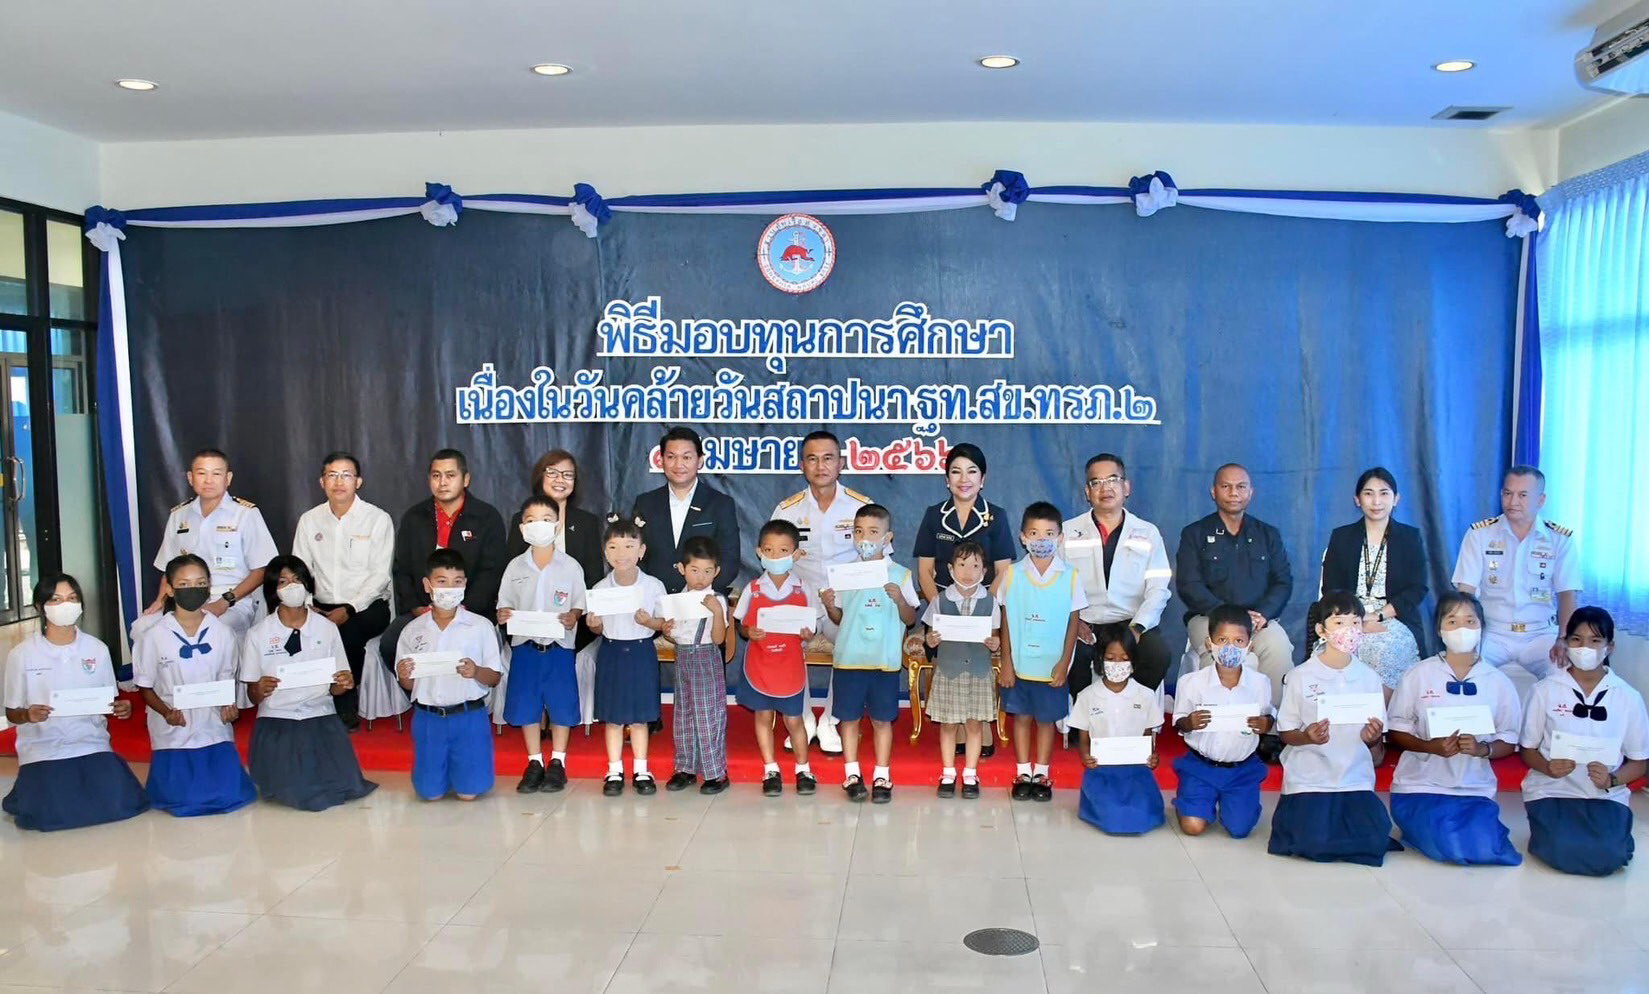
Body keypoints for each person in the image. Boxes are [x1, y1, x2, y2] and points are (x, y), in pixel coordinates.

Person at [2, 574, 148, 831]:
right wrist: (28, 715)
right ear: (40, 606)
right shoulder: (22, 655)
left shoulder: (96, 649)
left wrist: (120, 709)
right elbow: (12, 712)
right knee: (52, 816)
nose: (65, 605)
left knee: (120, 805)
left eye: (72, 598)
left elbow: (108, 701)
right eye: (56, 600)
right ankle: (26, 791)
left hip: (90, 742)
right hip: (44, 745)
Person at [1384, 591, 1521, 866]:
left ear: (1482, 628)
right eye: (1452, 621)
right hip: (1420, 786)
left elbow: (1509, 738)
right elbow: (1396, 729)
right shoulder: (1418, 674)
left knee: (1484, 850)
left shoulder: (1498, 682)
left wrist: (1484, 749)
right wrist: (1429, 746)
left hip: (1473, 788)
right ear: (1439, 630)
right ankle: (1419, 829)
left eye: (1470, 621)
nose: (1462, 629)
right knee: (1449, 845)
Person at [1268, 590, 1396, 866]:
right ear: (1321, 630)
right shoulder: (1300, 676)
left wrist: (1371, 740)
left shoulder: (1369, 678)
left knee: (1371, 844)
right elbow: (1286, 732)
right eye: (1339, 622)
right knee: (1314, 843)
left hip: (1354, 778)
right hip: (1311, 779)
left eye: (1355, 623)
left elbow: (1378, 754)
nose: (1348, 630)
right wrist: (1306, 736)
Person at [240, 555, 377, 812]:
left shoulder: (326, 628)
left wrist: (344, 683)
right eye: (283, 581)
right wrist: (258, 689)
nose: (292, 586)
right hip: (278, 721)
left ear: (307, 585)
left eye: (297, 579)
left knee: (339, 785)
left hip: (320, 717)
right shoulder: (258, 634)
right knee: (298, 790)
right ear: (273, 590)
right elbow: (252, 694)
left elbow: (336, 686)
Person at [1519, 606, 1648, 876]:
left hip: (1604, 794)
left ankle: (1612, 836)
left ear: (1609, 647)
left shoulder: (1627, 697)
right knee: (1563, 849)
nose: (1585, 647)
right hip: (1552, 789)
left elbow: (1639, 762)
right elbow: (1527, 750)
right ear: (1565, 643)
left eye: (1595, 640)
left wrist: (1611, 780)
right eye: (1576, 639)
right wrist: (1547, 767)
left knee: (1607, 858)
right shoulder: (1544, 690)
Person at [133, 554, 258, 817]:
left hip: (212, 724)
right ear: (169, 589)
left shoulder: (223, 633)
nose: (193, 590)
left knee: (227, 795)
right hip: (173, 725)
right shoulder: (153, 635)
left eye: (200, 583)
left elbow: (227, 678)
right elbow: (145, 685)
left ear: (209, 587)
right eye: (185, 584)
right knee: (182, 799)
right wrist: (166, 711)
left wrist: (229, 706)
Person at [911, 442, 1015, 757]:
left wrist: (982, 606)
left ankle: (980, 728)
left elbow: (1003, 570)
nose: (963, 478)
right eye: (956, 471)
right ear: (947, 479)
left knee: (980, 662)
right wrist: (944, 609)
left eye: (972, 471)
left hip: (984, 609)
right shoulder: (933, 516)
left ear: (983, 478)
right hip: (943, 607)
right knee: (950, 655)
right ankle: (952, 725)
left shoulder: (996, 516)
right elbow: (925, 571)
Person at [772, 429, 870, 754]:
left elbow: (876, 561)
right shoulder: (787, 510)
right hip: (799, 601)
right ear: (802, 465)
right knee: (783, 643)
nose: (821, 466)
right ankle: (802, 720)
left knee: (851, 638)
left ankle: (829, 719)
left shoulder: (861, 508)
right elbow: (772, 560)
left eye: (828, 458)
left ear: (841, 463)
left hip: (842, 602)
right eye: (812, 459)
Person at [821, 504, 919, 803]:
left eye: (873, 532)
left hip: (883, 662)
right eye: (859, 532)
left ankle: (882, 774)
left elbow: (910, 619)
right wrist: (829, 605)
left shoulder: (900, 575)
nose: (865, 538)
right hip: (849, 659)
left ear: (887, 537)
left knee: (881, 720)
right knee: (848, 719)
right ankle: (852, 773)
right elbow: (840, 619)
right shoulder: (845, 574)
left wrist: (900, 599)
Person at [379, 448, 508, 675]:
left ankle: (467, 702)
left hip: (472, 611)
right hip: (422, 611)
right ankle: (421, 698)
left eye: (450, 475)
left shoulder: (486, 517)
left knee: (477, 647)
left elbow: (492, 571)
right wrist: (416, 608)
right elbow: (402, 569)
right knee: (391, 643)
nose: (442, 482)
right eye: (436, 475)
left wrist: (464, 609)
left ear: (465, 479)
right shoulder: (414, 517)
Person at [1175, 463, 1296, 700]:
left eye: (1241, 487)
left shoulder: (1267, 534)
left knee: (1279, 648)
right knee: (1227, 653)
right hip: (1210, 619)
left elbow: (1282, 581)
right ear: (1213, 492)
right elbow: (1189, 585)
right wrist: (1227, 617)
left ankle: (1269, 726)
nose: (1233, 493)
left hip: (1258, 620)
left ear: (1251, 492)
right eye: (1226, 486)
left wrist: (1263, 614)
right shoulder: (1194, 533)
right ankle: (1222, 725)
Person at [291, 451, 393, 730]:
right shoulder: (309, 520)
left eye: (346, 475)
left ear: (358, 481)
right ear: (321, 482)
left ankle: (344, 702)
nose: (339, 482)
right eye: (332, 475)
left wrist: (350, 608)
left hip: (367, 606)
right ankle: (304, 700)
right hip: (319, 605)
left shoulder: (377, 519)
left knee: (345, 632)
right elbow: (300, 569)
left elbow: (380, 575)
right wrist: (309, 605)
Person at [1452, 466, 1579, 685]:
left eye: (1522, 495)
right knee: (1464, 676)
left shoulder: (1558, 539)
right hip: (1492, 632)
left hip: (1540, 633)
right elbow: (1466, 593)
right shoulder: (1479, 534)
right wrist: (1467, 637)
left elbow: (1567, 594)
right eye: (1507, 493)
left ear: (1540, 500)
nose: (1513, 502)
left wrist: (1563, 638)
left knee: (1565, 679)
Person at [394, 549, 502, 802]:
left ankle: (467, 775)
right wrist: (403, 674)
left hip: (468, 716)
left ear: (465, 584)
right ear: (427, 585)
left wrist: (476, 671)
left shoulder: (480, 627)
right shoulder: (413, 630)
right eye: (442, 582)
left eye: (458, 582)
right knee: (429, 794)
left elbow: (494, 677)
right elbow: (408, 684)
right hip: (429, 718)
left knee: (469, 793)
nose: (450, 588)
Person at [1060, 452, 1174, 692]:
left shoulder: (1147, 532)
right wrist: (1073, 621)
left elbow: (1158, 589)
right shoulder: (1067, 532)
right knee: (1072, 656)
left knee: (1158, 654)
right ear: (1087, 492)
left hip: (1131, 622)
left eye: (1113, 480)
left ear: (1126, 487)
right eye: (1097, 482)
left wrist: (1138, 628)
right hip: (1085, 623)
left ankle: (1134, 712)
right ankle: (1086, 721)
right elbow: (1055, 586)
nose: (1106, 488)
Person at [508, 450, 606, 728]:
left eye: (567, 474)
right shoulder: (522, 519)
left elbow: (592, 577)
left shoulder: (586, 523)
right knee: (531, 643)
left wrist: (575, 614)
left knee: (560, 643)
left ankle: (556, 712)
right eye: (552, 472)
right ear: (540, 477)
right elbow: (511, 575)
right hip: (530, 617)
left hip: (572, 619)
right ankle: (534, 712)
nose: (560, 479)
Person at [143, 449, 278, 647]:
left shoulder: (245, 514)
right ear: (190, 477)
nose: (208, 480)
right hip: (183, 601)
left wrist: (224, 602)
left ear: (228, 478)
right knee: (142, 627)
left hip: (232, 602)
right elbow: (168, 568)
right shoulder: (179, 516)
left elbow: (262, 569)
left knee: (212, 630)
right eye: (201, 473)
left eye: (216, 473)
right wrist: (160, 600)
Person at [496, 495, 585, 794]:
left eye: (546, 520)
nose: (539, 526)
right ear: (523, 529)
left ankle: (557, 762)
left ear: (557, 526)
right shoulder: (514, 567)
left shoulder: (571, 566)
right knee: (527, 705)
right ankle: (534, 761)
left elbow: (578, 606)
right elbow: (503, 605)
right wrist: (503, 614)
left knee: (561, 705)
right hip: (526, 648)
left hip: (558, 649)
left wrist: (573, 616)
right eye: (532, 521)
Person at [1000, 501, 1087, 802]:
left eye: (1049, 533)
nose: (1041, 540)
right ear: (1023, 537)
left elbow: (1074, 623)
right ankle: (1023, 772)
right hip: (1021, 664)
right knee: (1022, 718)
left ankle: (1042, 773)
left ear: (1060, 538)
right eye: (1034, 533)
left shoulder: (1071, 576)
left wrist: (1065, 663)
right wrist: (1006, 662)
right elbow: (1006, 619)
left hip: (1052, 666)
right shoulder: (1012, 574)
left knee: (1046, 720)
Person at [1171, 604, 1274, 839]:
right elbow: (1179, 722)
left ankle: (1232, 800)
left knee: (1239, 829)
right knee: (1193, 827)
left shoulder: (1260, 683)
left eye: (1239, 641)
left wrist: (1265, 724)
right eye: (1222, 639)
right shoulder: (1191, 683)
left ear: (1250, 646)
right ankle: (1190, 801)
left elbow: (1268, 717)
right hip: (1201, 766)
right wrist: (1190, 722)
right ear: (1209, 644)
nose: (1230, 647)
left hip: (1241, 768)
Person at [1319, 467, 1426, 693]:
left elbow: (1417, 588)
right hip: (1347, 616)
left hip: (1393, 617)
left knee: (1383, 649)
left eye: (1384, 493)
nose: (1376, 501)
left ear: (1396, 499)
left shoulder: (1410, 537)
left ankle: (1382, 723)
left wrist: (1377, 616)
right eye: (1368, 493)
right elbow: (1331, 587)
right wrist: (1356, 620)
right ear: (1357, 500)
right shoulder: (1342, 537)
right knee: (1335, 651)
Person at [734, 519, 821, 796]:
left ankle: (803, 768)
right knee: (763, 716)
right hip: (760, 664)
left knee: (794, 720)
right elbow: (740, 625)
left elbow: (812, 626)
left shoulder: (803, 589)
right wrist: (749, 631)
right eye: (769, 550)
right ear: (759, 552)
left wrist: (809, 633)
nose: (776, 557)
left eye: (783, 551)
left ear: (795, 554)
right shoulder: (753, 589)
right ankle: (770, 768)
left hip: (789, 666)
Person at [587, 514, 669, 797]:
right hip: (611, 652)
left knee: (639, 717)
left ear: (642, 551)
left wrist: (650, 623)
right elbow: (597, 629)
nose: (621, 554)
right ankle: (614, 769)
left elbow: (664, 624)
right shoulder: (599, 590)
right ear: (605, 552)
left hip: (641, 652)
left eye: (629, 546)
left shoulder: (653, 586)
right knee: (612, 717)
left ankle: (642, 769)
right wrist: (595, 626)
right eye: (613, 547)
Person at [922, 540, 1001, 799]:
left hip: (978, 672)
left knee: (974, 725)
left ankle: (970, 773)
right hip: (949, 671)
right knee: (947, 725)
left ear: (985, 571)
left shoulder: (991, 602)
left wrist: (994, 642)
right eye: (962, 564)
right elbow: (931, 636)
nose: (968, 571)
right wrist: (931, 641)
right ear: (950, 568)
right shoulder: (940, 600)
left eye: (975, 565)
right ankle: (947, 772)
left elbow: (996, 636)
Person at [1068, 624, 1166, 835]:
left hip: (1136, 770)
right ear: (1100, 659)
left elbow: (1149, 734)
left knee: (1141, 816)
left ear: (1133, 661)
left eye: (1124, 658)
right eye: (1111, 658)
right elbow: (1084, 738)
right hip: (1102, 771)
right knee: (1114, 817)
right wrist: (1086, 756)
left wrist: (1151, 755)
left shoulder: (1146, 695)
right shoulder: (1087, 696)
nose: (1117, 664)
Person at [633, 426, 740, 594]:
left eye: (687, 457)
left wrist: (696, 595)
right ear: (661, 460)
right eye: (671, 457)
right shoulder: (645, 503)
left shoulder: (720, 504)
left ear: (700, 460)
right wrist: (651, 594)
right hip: (653, 603)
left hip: (702, 604)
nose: (679, 464)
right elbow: (635, 556)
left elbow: (729, 560)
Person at [663, 536, 731, 795]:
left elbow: (718, 639)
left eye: (707, 571)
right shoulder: (677, 599)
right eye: (694, 570)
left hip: (706, 658)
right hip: (683, 657)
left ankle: (716, 773)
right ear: (682, 569)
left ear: (717, 571)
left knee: (707, 716)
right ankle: (685, 768)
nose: (700, 577)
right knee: (683, 716)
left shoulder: (717, 600)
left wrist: (715, 613)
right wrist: (667, 630)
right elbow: (673, 634)